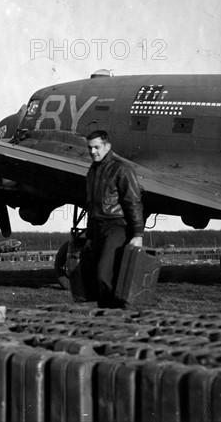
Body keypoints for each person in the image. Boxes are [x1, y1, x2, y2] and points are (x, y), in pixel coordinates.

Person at [84, 130, 144, 308]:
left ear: (107, 147)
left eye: (97, 147)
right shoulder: (92, 171)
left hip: (116, 227)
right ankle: (107, 316)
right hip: (97, 228)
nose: (93, 151)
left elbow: (133, 202)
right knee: (96, 276)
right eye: (90, 148)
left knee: (104, 274)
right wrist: (89, 236)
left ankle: (119, 312)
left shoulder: (121, 169)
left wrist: (138, 234)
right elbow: (91, 205)